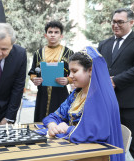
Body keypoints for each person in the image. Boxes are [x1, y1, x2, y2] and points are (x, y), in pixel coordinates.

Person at [37, 46, 124, 161]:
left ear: (90, 70)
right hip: (74, 149)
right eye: (70, 71)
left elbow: (95, 134)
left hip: (94, 155)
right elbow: (54, 116)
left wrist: (66, 128)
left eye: (75, 71)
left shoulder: (101, 98)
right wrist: (52, 125)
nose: (70, 76)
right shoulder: (76, 94)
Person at [98, 8, 134, 157]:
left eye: (120, 22)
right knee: (108, 144)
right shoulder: (104, 44)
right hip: (106, 104)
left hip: (129, 105)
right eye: (113, 22)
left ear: (131, 22)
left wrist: (115, 80)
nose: (115, 25)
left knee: (131, 145)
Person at [28, 20, 74, 122]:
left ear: (61, 36)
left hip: (60, 96)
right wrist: (34, 79)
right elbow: (32, 72)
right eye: (50, 32)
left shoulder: (69, 53)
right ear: (45, 35)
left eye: (56, 32)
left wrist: (68, 80)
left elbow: (74, 74)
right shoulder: (38, 53)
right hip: (42, 96)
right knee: (41, 124)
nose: (53, 35)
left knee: (60, 126)